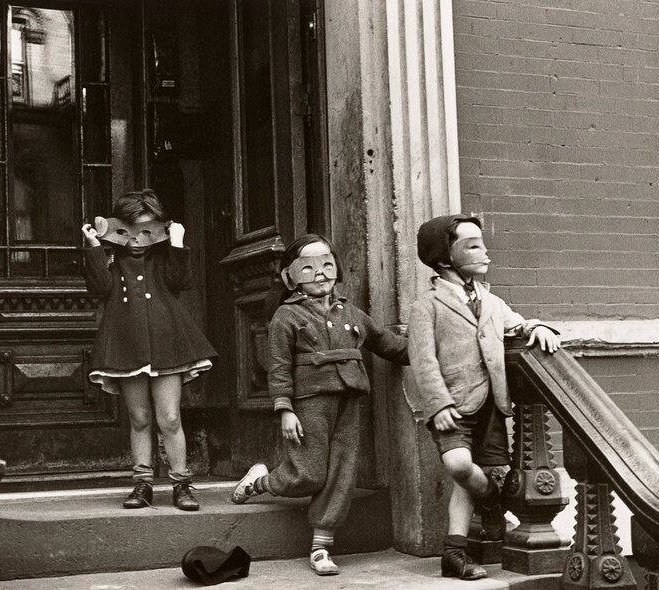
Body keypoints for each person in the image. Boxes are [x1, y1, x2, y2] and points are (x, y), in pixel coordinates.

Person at [230, 234, 409, 575]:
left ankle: (321, 547)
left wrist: (432, 349)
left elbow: (389, 345)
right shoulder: (287, 316)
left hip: (350, 399)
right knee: (310, 473)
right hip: (310, 403)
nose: (320, 273)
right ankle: (260, 482)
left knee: (341, 472)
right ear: (291, 277)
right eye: (308, 268)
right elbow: (279, 366)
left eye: (326, 264)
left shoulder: (351, 313)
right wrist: (285, 409)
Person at [404, 214, 560, 580]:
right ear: (445, 258)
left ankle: (453, 554)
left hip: (491, 403)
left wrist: (536, 326)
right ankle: (491, 499)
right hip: (453, 406)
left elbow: (514, 323)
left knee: (468, 477)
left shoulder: (491, 300)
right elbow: (423, 360)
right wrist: (438, 404)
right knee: (459, 466)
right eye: (472, 245)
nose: (484, 251)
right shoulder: (426, 305)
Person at [81, 189, 217, 511]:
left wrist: (178, 243)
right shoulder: (111, 255)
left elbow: (180, 281)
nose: (136, 240)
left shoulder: (163, 253)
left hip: (167, 342)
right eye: (128, 230)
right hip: (127, 344)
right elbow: (100, 288)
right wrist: (94, 247)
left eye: (145, 230)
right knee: (139, 417)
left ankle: (181, 484)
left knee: (169, 418)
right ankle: (142, 484)